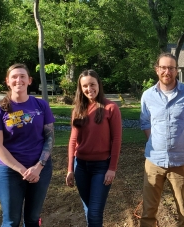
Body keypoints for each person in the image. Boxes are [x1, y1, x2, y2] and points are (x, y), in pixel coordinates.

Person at [0, 63, 55, 227]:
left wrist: (39, 167)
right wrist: (23, 170)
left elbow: (49, 138)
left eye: (22, 76)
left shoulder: (41, 105)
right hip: (9, 172)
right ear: (7, 81)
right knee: (11, 221)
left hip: (40, 170)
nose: (18, 80)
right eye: (14, 77)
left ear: (29, 80)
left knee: (32, 218)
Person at [140, 53, 184, 227]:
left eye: (171, 68)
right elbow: (145, 121)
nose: (167, 71)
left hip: (180, 162)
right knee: (148, 211)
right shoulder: (147, 96)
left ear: (176, 71)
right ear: (157, 70)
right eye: (163, 67)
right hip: (153, 162)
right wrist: (153, 141)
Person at [66, 69, 122, 227]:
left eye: (92, 84)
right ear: (80, 88)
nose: (89, 89)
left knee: (95, 212)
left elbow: (117, 139)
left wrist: (112, 169)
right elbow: (72, 141)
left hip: (101, 167)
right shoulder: (78, 109)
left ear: (99, 85)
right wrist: (70, 169)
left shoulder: (110, 108)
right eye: (84, 86)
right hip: (81, 167)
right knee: (89, 209)